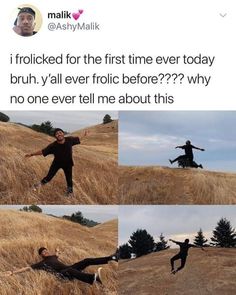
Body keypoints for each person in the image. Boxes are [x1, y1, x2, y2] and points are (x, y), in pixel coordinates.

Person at [2, 247, 118, 285]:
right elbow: (27, 268)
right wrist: (12, 272)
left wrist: (57, 250)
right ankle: (94, 278)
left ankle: (111, 258)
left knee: (86, 260)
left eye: (46, 250)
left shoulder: (53, 256)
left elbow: (57, 255)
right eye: (43, 252)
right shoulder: (41, 263)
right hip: (62, 275)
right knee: (69, 269)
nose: (45, 252)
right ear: (41, 255)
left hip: (69, 268)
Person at [25, 128, 84, 196]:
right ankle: (36, 186)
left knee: (69, 180)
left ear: (63, 133)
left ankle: (70, 194)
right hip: (56, 164)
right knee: (48, 178)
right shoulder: (53, 146)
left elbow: (79, 139)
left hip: (68, 164)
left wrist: (85, 135)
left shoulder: (70, 140)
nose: (59, 134)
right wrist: (31, 154)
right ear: (55, 136)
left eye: (60, 132)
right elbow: (42, 151)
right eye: (57, 133)